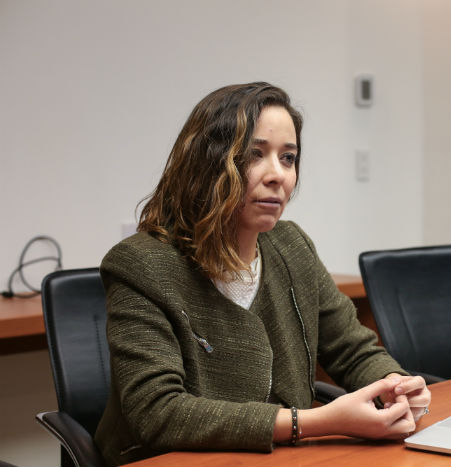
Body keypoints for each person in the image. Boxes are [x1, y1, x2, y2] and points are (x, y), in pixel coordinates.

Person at [94, 82, 431, 466]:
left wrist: (395, 384)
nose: (279, 176)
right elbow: (158, 413)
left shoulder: (292, 246)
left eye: (288, 158)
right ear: (207, 163)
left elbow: (352, 350)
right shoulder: (141, 264)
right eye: (255, 155)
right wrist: (313, 422)